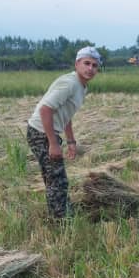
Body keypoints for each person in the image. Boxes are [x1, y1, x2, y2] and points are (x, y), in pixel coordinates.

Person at [26, 46, 101, 219]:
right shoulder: (70, 83)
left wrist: (71, 141)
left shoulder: (81, 87)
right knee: (58, 179)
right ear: (77, 64)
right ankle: (61, 220)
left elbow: (66, 114)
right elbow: (45, 109)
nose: (90, 68)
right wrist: (53, 143)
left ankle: (60, 211)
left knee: (54, 177)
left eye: (94, 66)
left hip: (47, 132)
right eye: (86, 63)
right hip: (40, 132)